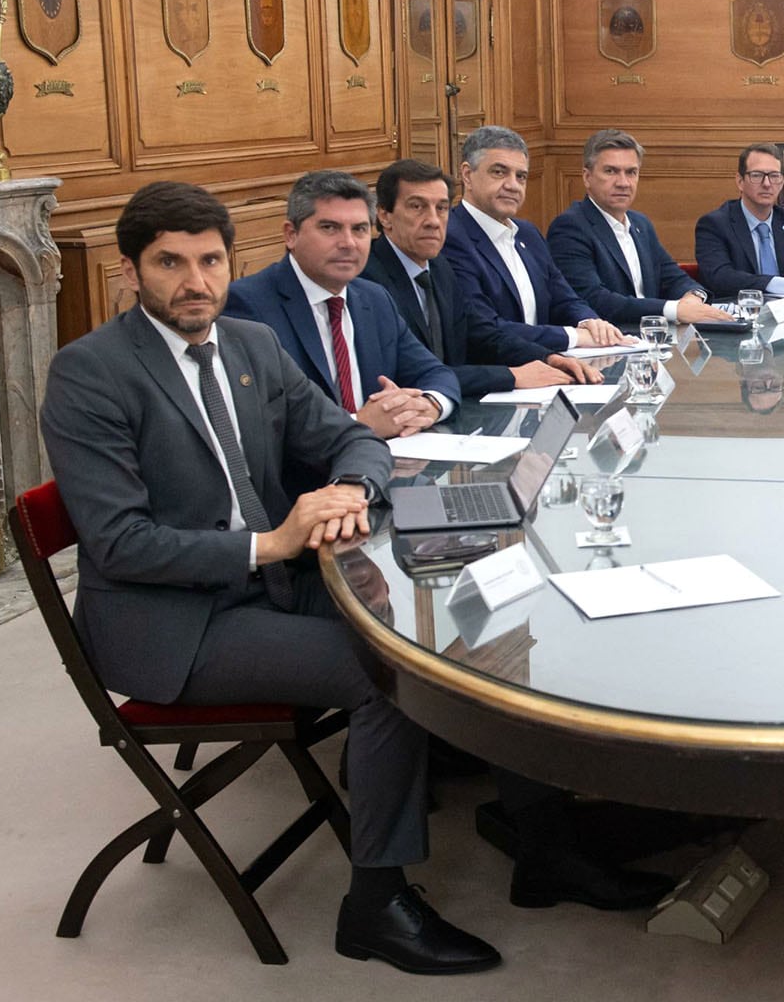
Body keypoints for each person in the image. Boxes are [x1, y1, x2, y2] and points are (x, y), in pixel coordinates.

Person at [39, 181, 499, 974]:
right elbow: (118, 545)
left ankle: (519, 813)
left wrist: (355, 488)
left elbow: (349, 439)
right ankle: (375, 905)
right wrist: (273, 543)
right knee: (386, 672)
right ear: (127, 272)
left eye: (211, 260)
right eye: (170, 263)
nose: (195, 281)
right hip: (173, 623)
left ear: (231, 262)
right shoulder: (89, 374)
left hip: (267, 585)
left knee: (437, 597)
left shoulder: (250, 343)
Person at [225, 171, 458, 445]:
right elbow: (261, 425)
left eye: (359, 229)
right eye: (329, 228)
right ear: (291, 234)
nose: (348, 243)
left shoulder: (373, 298)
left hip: (382, 465)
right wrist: (359, 425)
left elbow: (436, 373)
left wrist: (428, 405)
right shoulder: (248, 305)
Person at [360, 159, 602, 399]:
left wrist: (548, 358)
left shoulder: (438, 266)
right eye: (417, 207)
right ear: (384, 215)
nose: (433, 221)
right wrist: (512, 376)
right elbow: (409, 375)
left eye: (442, 208)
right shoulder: (368, 282)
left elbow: (480, 333)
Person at [442, 125, 627, 352]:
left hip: (547, 365)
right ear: (467, 175)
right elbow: (484, 328)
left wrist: (590, 322)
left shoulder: (528, 233)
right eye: (499, 172)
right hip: (498, 375)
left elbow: (564, 298)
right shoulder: (451, 237)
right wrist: (573, 336)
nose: (512, 185)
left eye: (521, 176)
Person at [547, 129, 733, 325]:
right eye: (610, 171)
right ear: (587, 177)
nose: (623, 183)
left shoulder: (640, 224)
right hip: (609, 343)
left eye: (631, 172)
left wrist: (692, 297)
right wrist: (674, 310)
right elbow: (594, 300)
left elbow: (674, 277)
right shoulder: (570, 227)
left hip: (654, 340)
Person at [694, 142, 784, 299]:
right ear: (740, 181)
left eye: (774, 176)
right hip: (743, 313)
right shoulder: (715, 224)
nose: (767, 184)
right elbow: (720, 278)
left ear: (782, 182)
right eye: (757, 175)